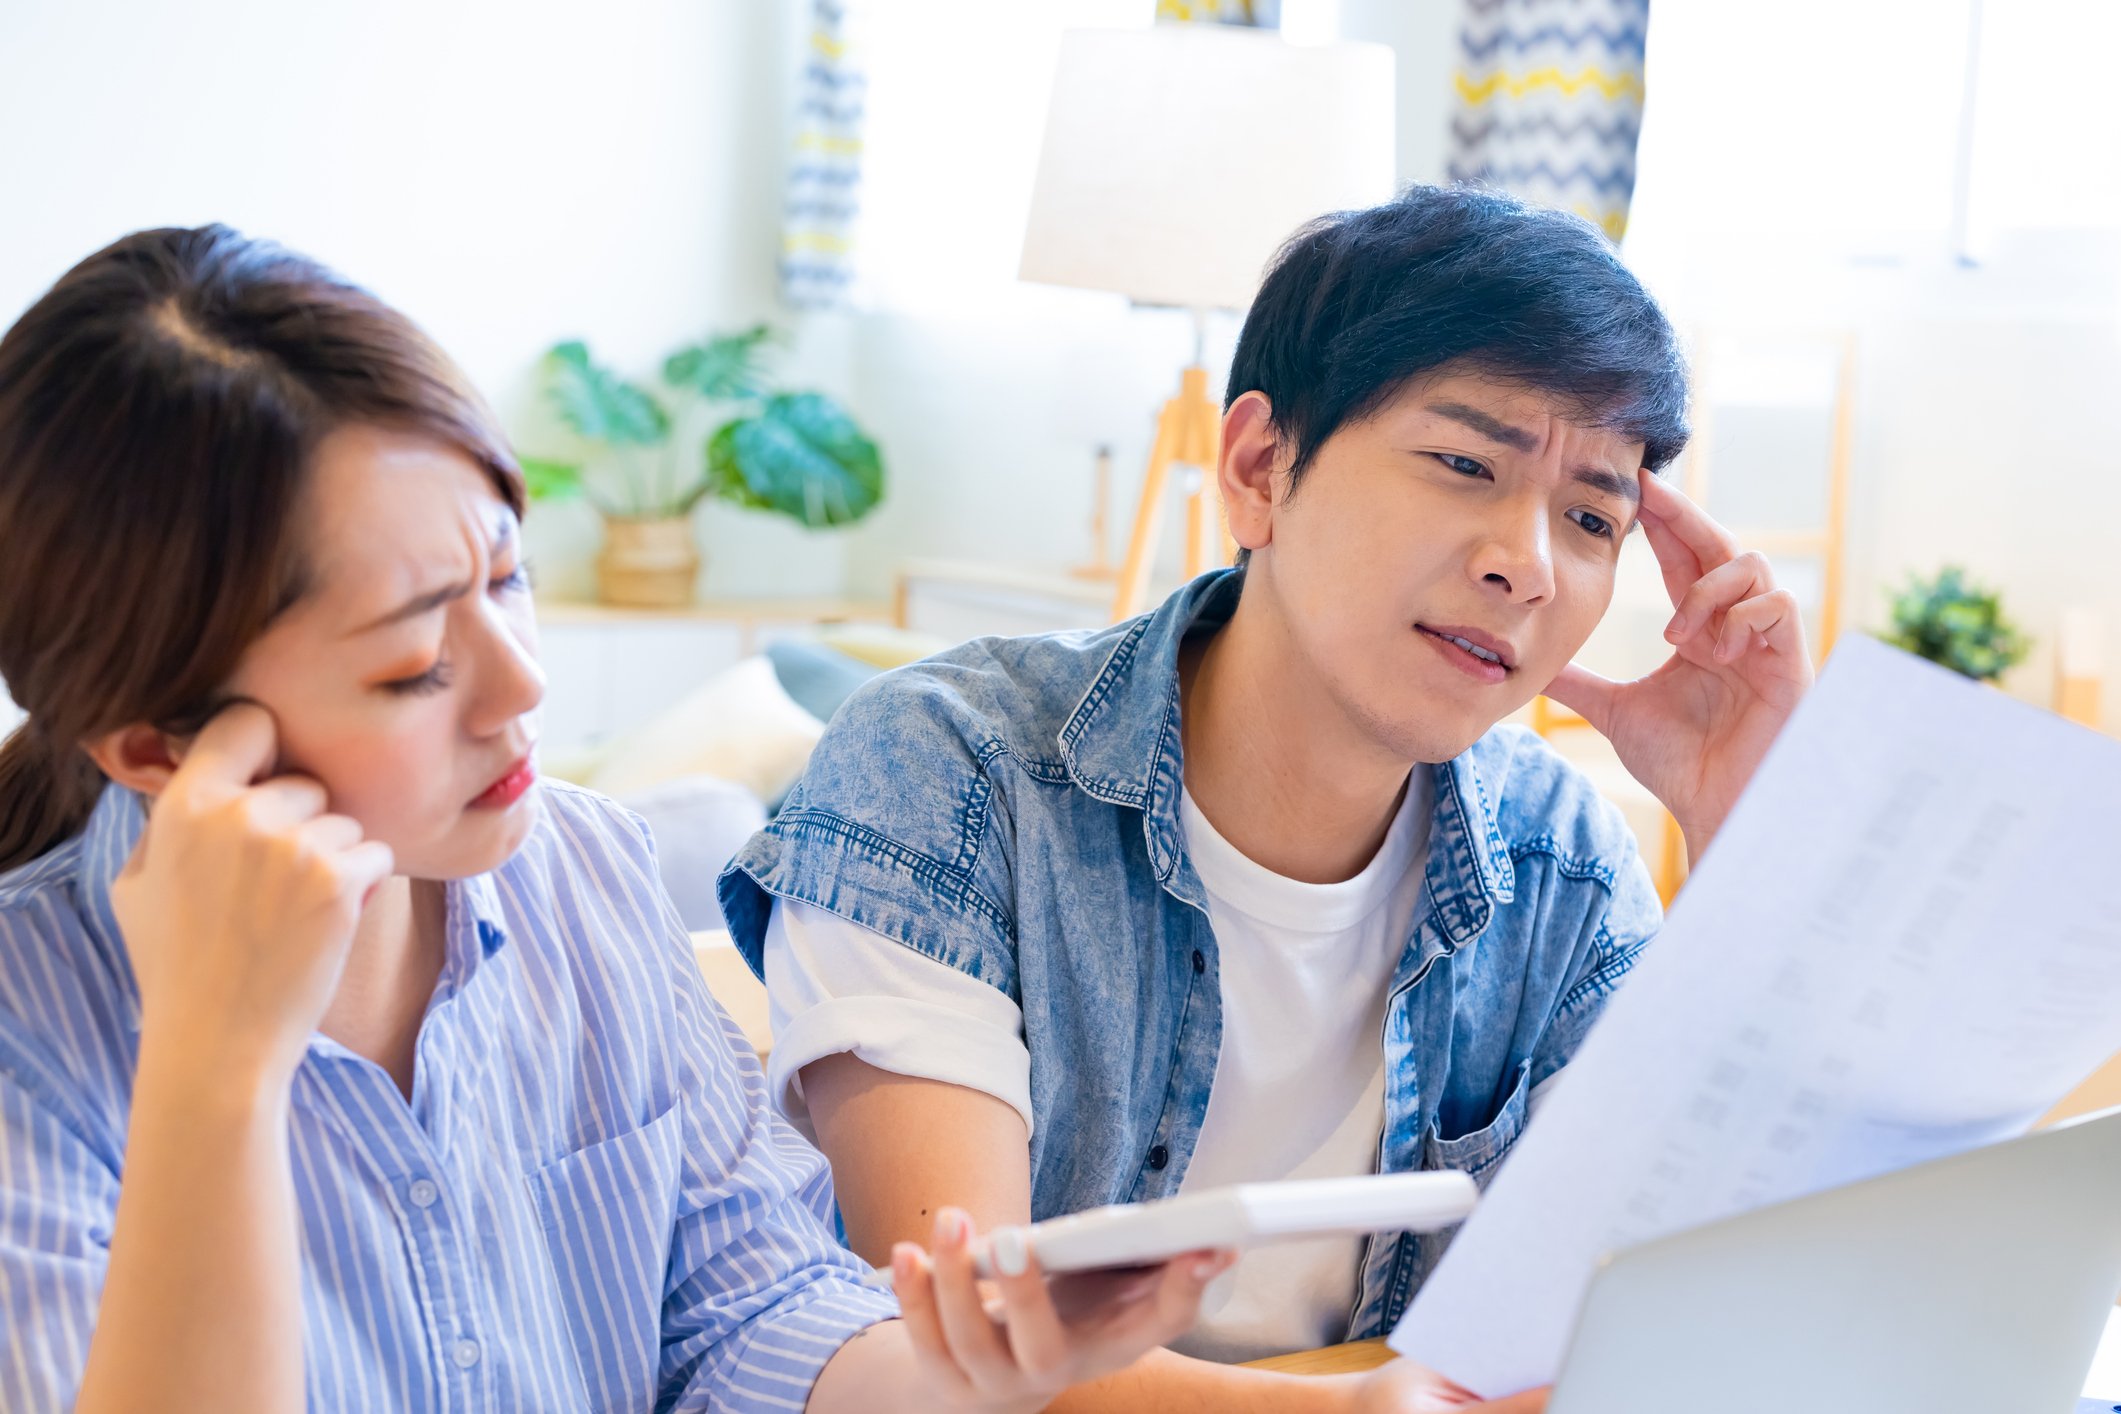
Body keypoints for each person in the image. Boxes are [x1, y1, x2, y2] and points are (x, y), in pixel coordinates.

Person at [0, 225, 1236, 1414]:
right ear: (160, 748)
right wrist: (216, 1076)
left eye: (506, 576)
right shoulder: (32, 1032)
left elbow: (748, 1316)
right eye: (415, 661)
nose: (522, 683)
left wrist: (978, 1371)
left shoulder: (577, 868)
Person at [718, 185, 1814, 1410]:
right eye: (1463, 463)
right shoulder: (947, 772)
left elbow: (1683, 1304)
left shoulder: (1562, 860)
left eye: (1592, 514)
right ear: (1258, 468)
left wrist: (1744, 834)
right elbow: (969, 1340)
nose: (1528, 563)